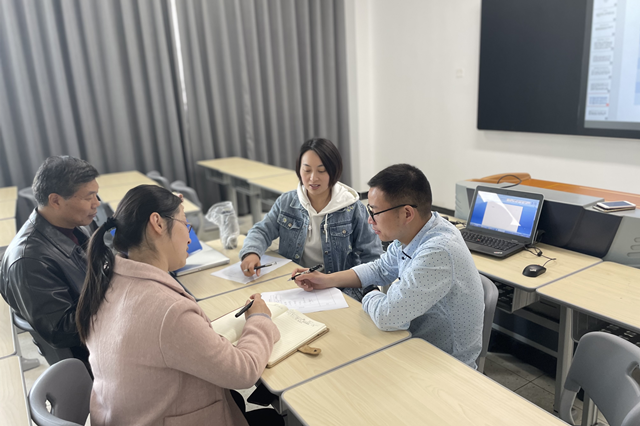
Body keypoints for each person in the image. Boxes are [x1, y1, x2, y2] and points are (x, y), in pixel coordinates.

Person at [76, 185, 283, 426]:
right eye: (185, 224)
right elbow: (244, 372)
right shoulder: (168, 310)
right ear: (157, 223)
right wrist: (259, 319)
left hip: (125, 416)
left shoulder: (108, 280)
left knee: (240, 403)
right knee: (273, 419)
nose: (189, 237)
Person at [294, 164, 485, 368]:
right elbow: (380, 269)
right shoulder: (417, 230)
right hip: (413, 344)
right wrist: (326, 280)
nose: (370, 220)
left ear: (407, 214)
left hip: (445, 366)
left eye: (375, 212)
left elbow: (388, 316)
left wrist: (368, 292)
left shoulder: (438, 251)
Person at [240, 138, 382, 301]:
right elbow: (262, 231)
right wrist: (251, 253)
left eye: (322, 171)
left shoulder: (352, 208)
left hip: (339, 290)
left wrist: (366, 292)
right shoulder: (287, 202)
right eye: (307, 170)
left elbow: (373, 257)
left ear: (334, 171)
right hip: (294, 286)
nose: (313, 178)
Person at [1, 156, 100, 366]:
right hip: (92, 356)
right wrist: (115, 294)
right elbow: (62, 331)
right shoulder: (28, 261)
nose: (96, 203)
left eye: (96, 195)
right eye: (88, 197)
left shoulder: (75, 226)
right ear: (55, 201)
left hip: (103, 337)